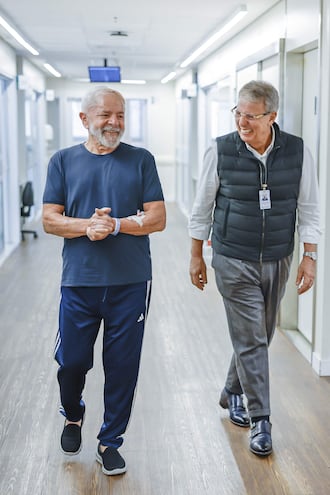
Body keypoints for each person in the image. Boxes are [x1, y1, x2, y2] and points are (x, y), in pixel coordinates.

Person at [188, 80, 320, 457]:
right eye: (238, 114)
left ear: (272, 116)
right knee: (251, 337)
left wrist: (309, 255)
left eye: (251, 116)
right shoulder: (221, 149)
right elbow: (202, 207)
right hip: (232, 256)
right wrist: (196, 254)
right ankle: (261, 418)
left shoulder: (297, 151)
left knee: (260, 333)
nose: (242, 123)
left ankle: (231, 390)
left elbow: (309, 207)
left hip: (278, 256)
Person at [42, 86, 166, 475]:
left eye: (121, 116)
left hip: (130, 282)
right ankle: (73, 412)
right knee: (73, 362)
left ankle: (109, 441)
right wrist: (88, 226)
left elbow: (158, 217)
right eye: (105, 115)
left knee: (123, 365)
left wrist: (115, 225)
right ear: (84, 119)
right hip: (79, 282)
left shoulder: (141, 160)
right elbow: (49, 218)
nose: (114, 123)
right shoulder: (63, 161)